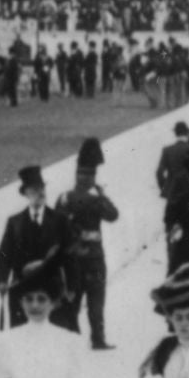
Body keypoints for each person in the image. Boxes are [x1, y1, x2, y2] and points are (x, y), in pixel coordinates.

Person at [62, 138, 123, 350]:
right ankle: (97, 339)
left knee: (76, 302)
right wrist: (102, 195)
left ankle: (75, 339)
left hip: (77, 258)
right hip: (92, 257)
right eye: (87, 175)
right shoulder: (93, 199)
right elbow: (113, 215)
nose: (87, 178)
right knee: (95, 301)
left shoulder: (65, 198)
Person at [0, 164, 69, 323]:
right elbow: (3, 254)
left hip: (51, 288)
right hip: (22, 288)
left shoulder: (59, 220)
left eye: (41, 188)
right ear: (26, 194)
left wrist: (72, 286)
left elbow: (70, 254)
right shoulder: (14, 223)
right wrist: (1, 280)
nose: (40, 193)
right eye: (34, 190)